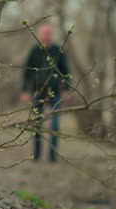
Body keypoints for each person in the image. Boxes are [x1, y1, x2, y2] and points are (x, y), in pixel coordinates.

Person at [21, 24, 71, 162]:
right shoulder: (34, 51)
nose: (46, 35)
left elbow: (66, 72)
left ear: (52, 34)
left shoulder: (58, 51)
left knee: (55, 124)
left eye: (48, 33)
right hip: (38, 93)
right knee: (37, 124)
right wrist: (25, 90)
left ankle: (52, 157)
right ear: (39, 35)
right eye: (43, 33)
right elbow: (26, 72)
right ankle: (36, 155)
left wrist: (66, 90)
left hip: (54, 93)